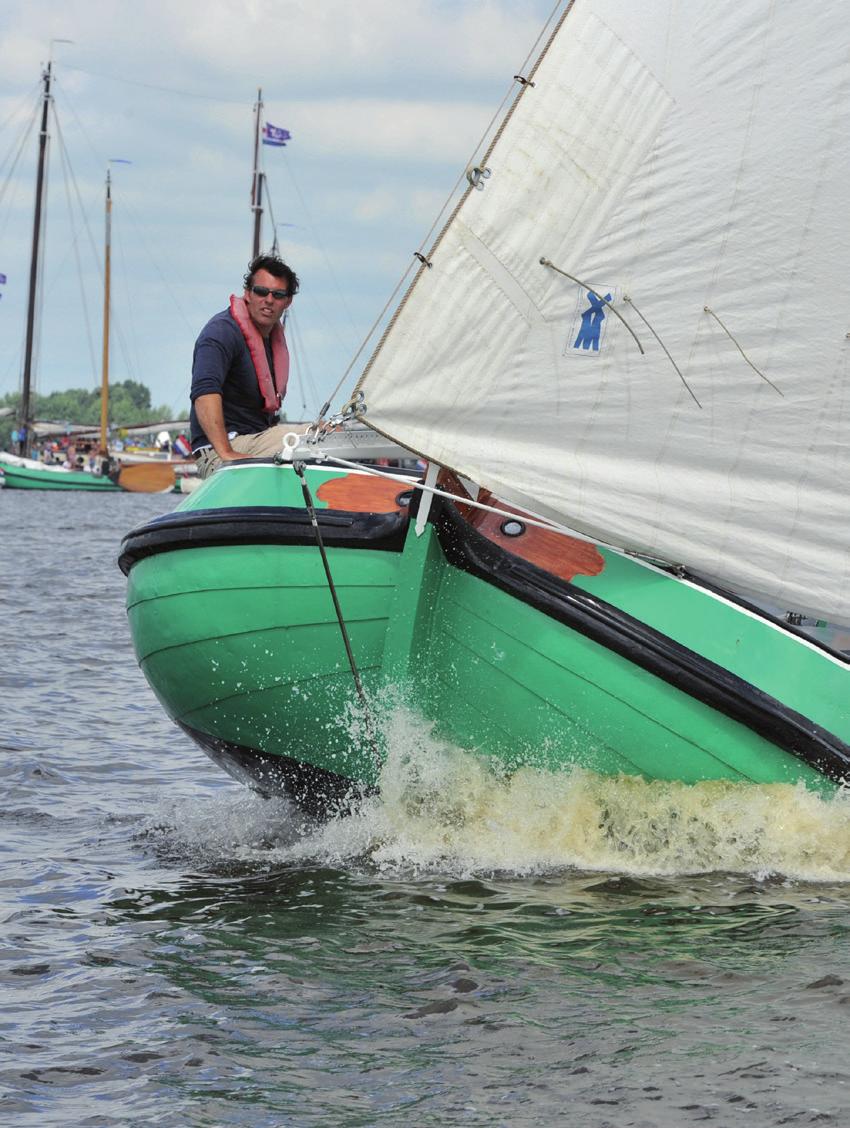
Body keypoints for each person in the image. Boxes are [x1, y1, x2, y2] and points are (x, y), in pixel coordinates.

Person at [189, 253, 300, 478]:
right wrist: (226, 453)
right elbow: (204, 393)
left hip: (257, 441)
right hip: (220, 451)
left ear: (288, 302)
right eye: (261, 291)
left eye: (278, 295)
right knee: (309, 438)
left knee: (332, 434)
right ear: (248, 294)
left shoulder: (271, 339)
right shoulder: (221, 332)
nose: (269, 300)